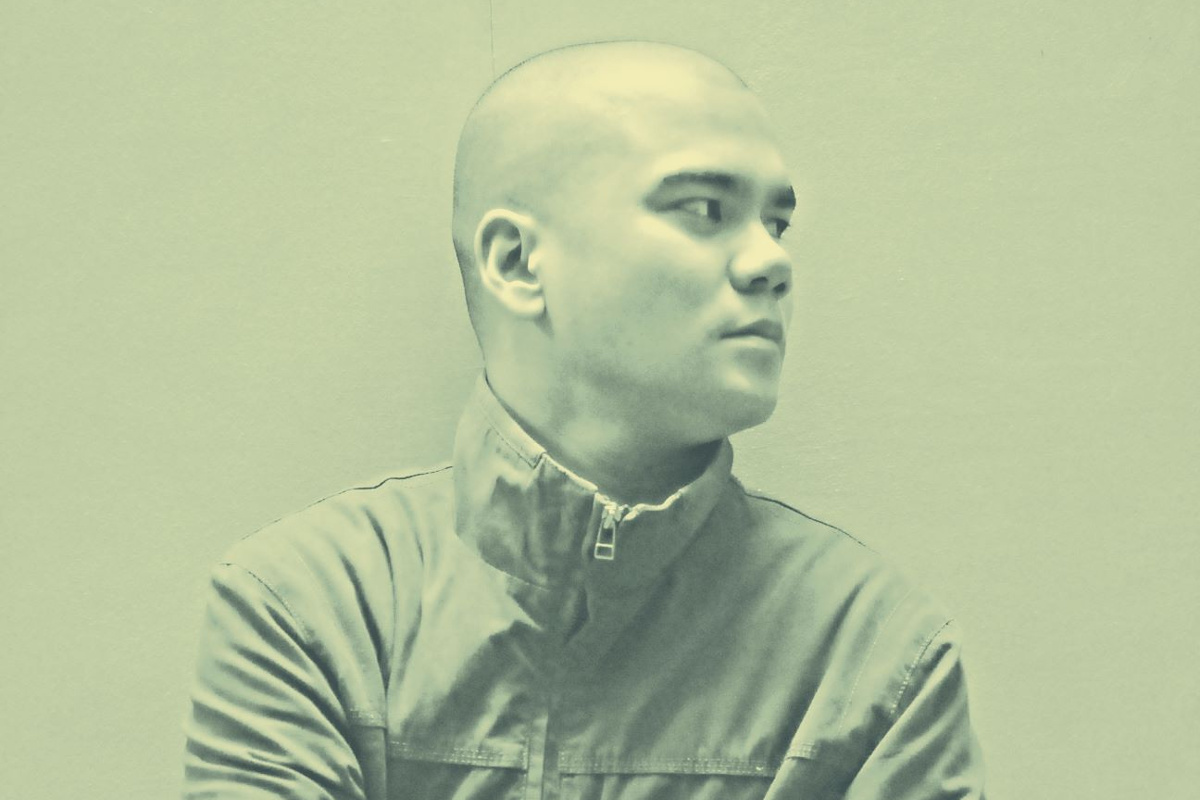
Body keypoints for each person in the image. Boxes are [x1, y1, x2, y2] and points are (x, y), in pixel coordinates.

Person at [182, 40, 987, 799]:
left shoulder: (874, 652)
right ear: (517, 263)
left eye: (775, 223)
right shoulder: (314, 607)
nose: (771, 260)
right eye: (705, 208)